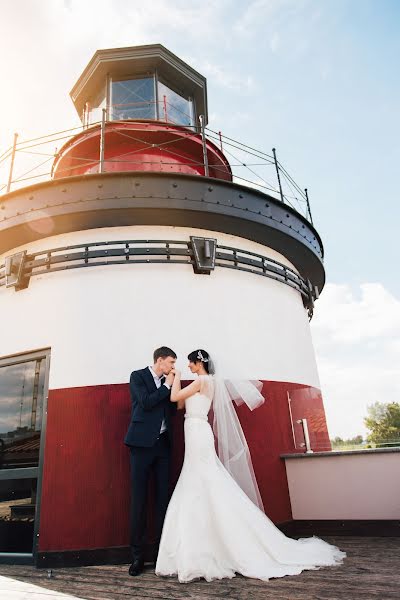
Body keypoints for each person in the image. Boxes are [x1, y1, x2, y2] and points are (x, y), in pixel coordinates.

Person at [155, 349, 345, 583]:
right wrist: (177, 383)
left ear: (197, 363)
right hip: (194, 428)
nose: (188, 367)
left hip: (197, 430)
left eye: (190, 363)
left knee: (202, 476)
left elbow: (174, 399)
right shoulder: (201, 382)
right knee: (199, 476)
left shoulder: (203, 380)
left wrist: (174, 378)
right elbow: (181, 406)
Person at [124, 346, 177, 577]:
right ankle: (137, 557)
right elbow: (145, 402)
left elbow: (172, 408)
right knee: (139, 501)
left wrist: (173, 388)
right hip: (140, 446)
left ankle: (160, 554)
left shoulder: (169, 381)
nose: (173, 367)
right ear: (160, 360)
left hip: (163, 446)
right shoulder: (137, 376)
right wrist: (166, 387)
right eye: (171, 363)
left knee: (162, 500)